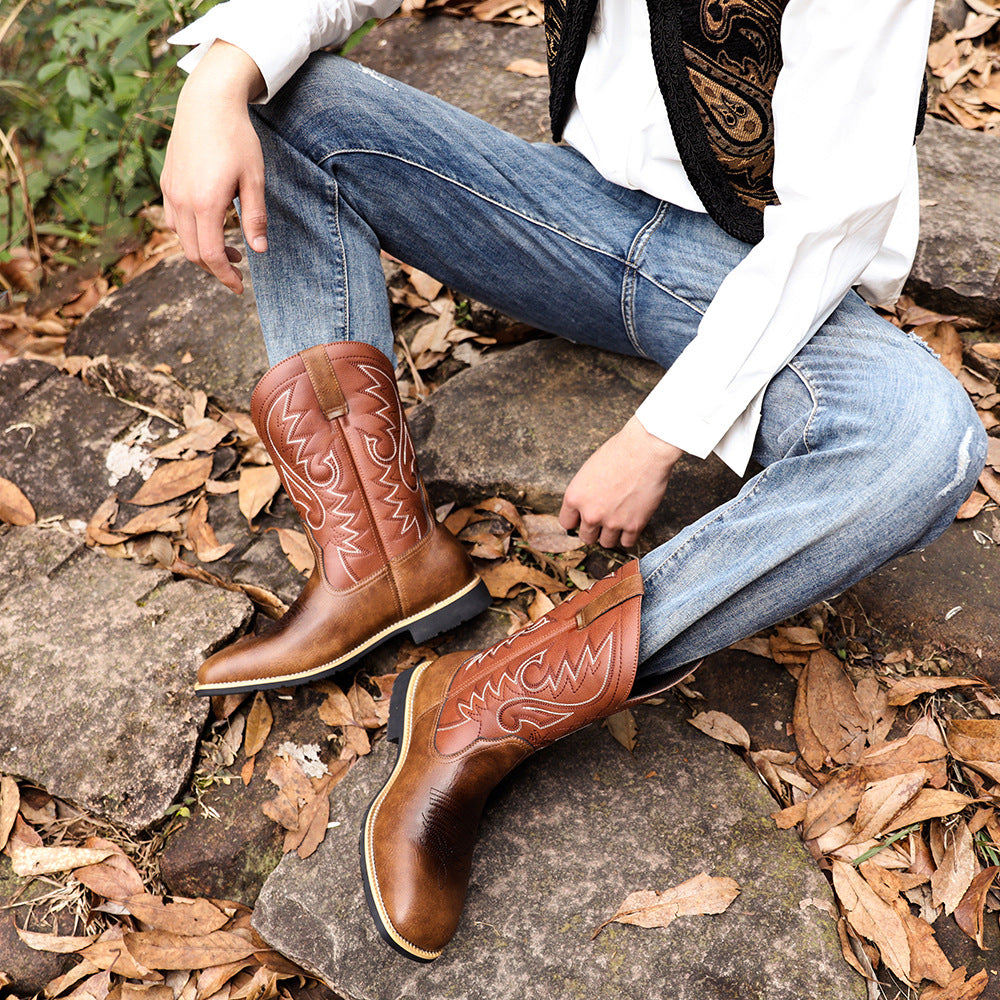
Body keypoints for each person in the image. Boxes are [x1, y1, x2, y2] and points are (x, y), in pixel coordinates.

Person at [162, 0, 986, 961]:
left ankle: (478, 712)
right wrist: (218, 75)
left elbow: (835, 220)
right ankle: (381, 563)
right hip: (565, 213)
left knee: (926, 438)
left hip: (759, 269)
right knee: (281, 97)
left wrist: (659, 434)